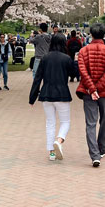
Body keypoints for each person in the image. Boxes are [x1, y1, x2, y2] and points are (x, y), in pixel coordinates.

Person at [29, 33, 78, 161]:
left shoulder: (45, 58)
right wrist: (76, 62)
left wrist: (32, 97)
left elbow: (37, 78)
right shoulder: (66, 58)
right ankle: (59, 140)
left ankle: (51, 152)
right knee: (65, 122)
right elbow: (74, 73)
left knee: (50, 123)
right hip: (62, 94)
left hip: (46, 93)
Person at [76, 22, 105, 167]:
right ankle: (101, 148)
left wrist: (93, 89)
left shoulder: (83, 51)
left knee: (90, 123)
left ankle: (94, 154)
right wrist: (98, 89)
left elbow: (83, 71)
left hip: (88, 91)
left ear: (91, 35)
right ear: (104, 34)